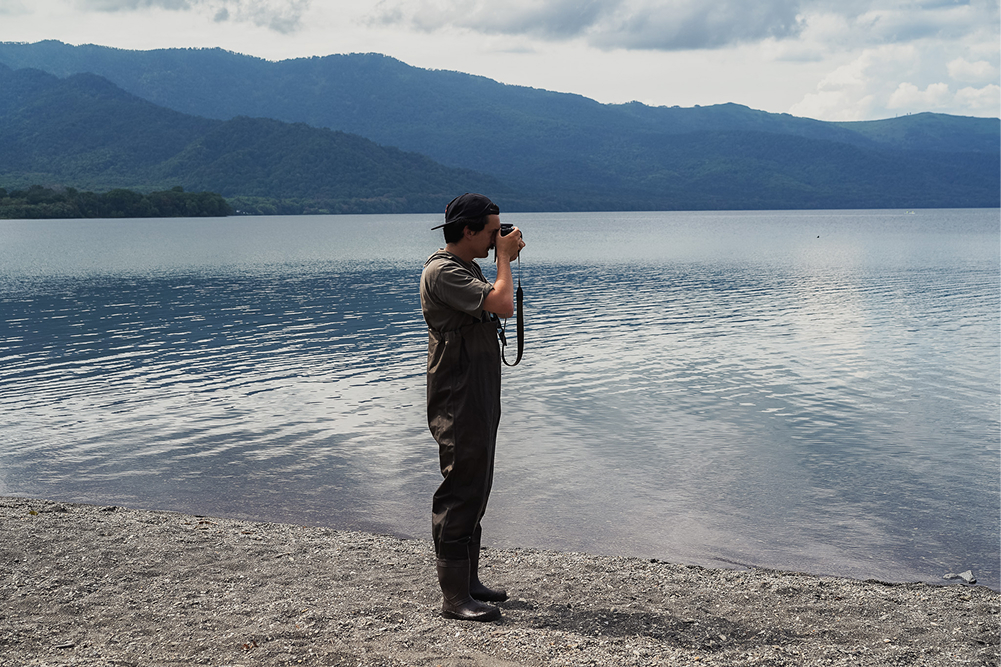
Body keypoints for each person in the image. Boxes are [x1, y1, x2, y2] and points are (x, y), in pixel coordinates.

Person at [420, 193, 525, 622]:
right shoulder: (442, 271)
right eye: (491, 230)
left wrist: (498, 258)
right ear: (468, 231)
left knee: (478, 482)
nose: (497, 237)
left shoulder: (466, 267)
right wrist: (505, 258)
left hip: (477, 390)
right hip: (457, 395)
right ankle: (454, 599)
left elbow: (494, 303)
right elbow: (502, 304)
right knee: (461, 486)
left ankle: (469, 583)